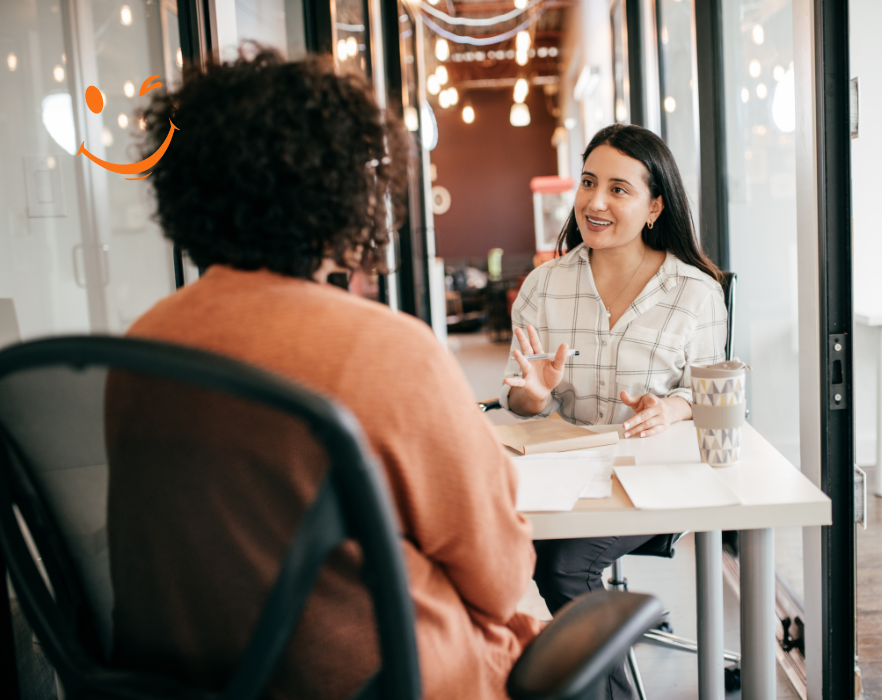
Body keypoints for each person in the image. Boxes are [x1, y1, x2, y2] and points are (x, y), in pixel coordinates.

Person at [105, 47, 539, 700]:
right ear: (337, 190)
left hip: (197, 682)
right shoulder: (387, 350)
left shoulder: (143, 347)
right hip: (378, 679)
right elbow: (501, 576)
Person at [499, 123, 728, 700]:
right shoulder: (544, 286)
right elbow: (519, 400)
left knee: (560, 568)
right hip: (562, 475)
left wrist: (671, 409)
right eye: (588, 183)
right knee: (516, 554)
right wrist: (533, 392)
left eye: (618, 190)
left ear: (655, 205)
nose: (594, 203)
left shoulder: (695, 292)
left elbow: (709, 391)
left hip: (647, 479)